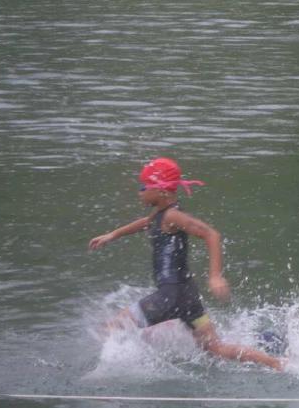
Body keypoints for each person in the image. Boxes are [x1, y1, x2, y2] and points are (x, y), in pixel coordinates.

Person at [89, 157, 284, 371]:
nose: (140, 192)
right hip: (187, 296)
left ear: (161, 191)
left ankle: (104, 374)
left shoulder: (173, 216)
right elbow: (146, 223)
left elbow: (211, 234)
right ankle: (276, 363)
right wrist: (113, 235)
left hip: (170, 296)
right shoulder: (160, 214)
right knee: (215, 348)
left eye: (144, 187)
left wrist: (215, 275)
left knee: (111, 328)